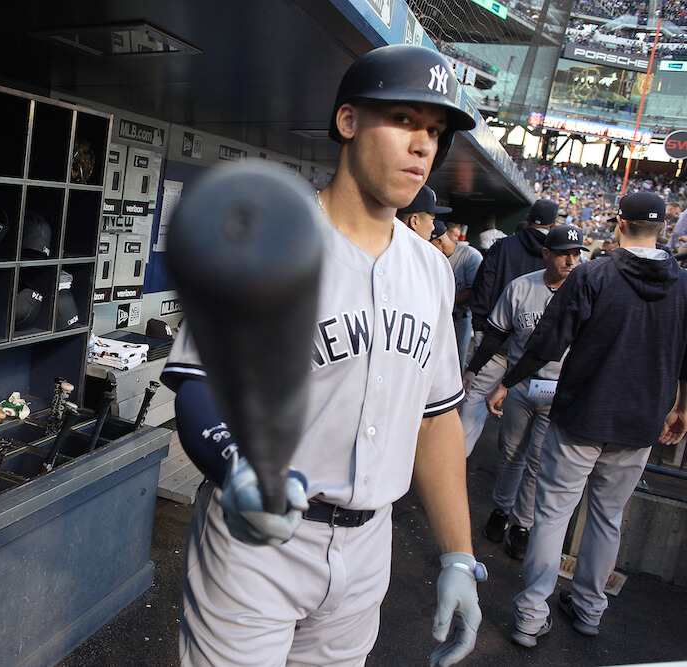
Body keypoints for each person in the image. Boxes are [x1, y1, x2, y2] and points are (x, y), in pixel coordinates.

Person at [161, 44, 483, 667]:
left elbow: (437, 416)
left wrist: (459, 555)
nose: (424, 146)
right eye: (405, 120)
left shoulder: (432, 272)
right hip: (259, 544)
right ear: (348, 121)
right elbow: (199, 386)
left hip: (369, 551)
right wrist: (239, 467)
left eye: (436, 132)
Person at [485, 192, 687, 647]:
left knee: (553, 516)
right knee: (606, 518)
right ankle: (590, 609)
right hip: (640, 422)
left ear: (619, 223)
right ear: (661, 229)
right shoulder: (683, 284)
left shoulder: (594, 273)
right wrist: (683, 409)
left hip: (582, 414)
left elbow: (547, 342)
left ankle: (530, 617)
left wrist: (506, 381)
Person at [463, 225, 585, 559]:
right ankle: (501, 510)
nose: (571, 260)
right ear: (547, 253)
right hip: (519, 384)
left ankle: (522, 524)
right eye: (564, 253)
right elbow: (495, 334)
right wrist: (474, 367)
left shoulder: (585, 291)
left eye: (576, 254)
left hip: (559, 390)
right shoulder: (521, 287)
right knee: (510, 454)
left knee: (537, 461)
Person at [460, 199, 557, 457]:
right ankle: (511, 484)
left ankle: (455, 461)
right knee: (530, 429)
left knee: (474, 404)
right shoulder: (560, 255)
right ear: (554, 224)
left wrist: (482, 330)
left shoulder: (503, 246)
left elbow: (481, 289)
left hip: (495, 343)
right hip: (535, 354)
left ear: (527, 219)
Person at [443, 220, 483, 371]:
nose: (457, 238)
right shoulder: (431, 253)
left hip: (459, 318)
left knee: (455, 366)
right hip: (437, 317)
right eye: (455, 235)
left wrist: (444, 304)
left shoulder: (470, 255)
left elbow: (474, 290)